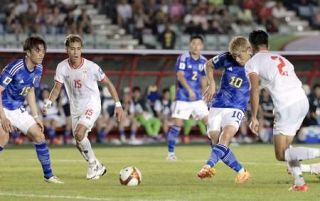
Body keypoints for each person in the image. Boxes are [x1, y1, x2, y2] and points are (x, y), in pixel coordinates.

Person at [243, 30, 320, 191]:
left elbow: (255, 89)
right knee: (288, 150)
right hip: (301, 100)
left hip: (286, 105)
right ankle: (300, 182)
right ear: (267, 45)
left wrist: (255, 117)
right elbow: (275, 80)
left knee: (280, 154)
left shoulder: (252, 62)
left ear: (251, 46)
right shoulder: (282, 59)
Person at [42, 34, 124, 180]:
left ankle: (93, 165)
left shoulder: (92, 67)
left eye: (78, 49)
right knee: (79, 142)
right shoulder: (62, 67)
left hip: (92, 103)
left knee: (79, 134)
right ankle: (98, 165)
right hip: (76, 107)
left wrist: (118, 105)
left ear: (81, 50)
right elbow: (56, 88)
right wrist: (48, 102)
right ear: (67, 49)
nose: (75, 52)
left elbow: (109, 84)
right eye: (72, 49)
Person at [0, 36, 63, 183]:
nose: (42, 54)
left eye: (43, 51)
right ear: (27, 53)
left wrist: (37, 117)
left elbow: (30, 92)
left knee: (39, 135)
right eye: (37, 50)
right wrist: (3, 117)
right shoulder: (15, 67)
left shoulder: (39, 69)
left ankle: (49, 176)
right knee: (3, 137)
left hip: (18, 108)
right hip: (2, 107)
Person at [197, 36, 251, 184]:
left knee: (225, 137)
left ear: (249, 50)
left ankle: (207, 166)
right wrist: (212, 84)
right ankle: (242, 171)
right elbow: (208, 64)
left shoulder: (256, 65)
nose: (237, 59)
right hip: (218, 103)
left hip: (237, 107)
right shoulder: (226, 57)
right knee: (215, 141)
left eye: (240, 56)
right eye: (234, 56)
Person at [166, 35, 209, 160]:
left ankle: (217, 153)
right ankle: (171, 154)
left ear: (202, 46)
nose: (196, 46)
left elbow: (203, 79)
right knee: (177, 125)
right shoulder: (183, 58)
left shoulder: (204, 61)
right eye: (193, 43)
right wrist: (189, 89)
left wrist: (205, 93)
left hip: (197, 99)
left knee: (210, 123)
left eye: (198, 44)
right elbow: (180, 75)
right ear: (190, 45)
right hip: (183, 97)